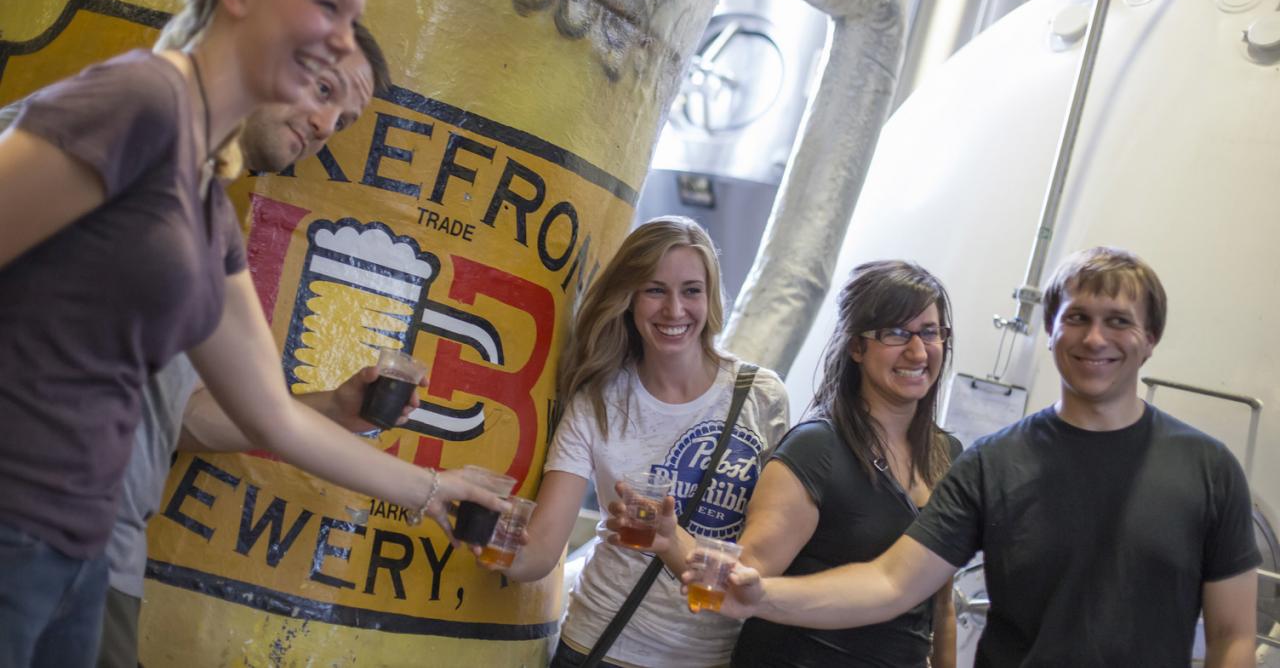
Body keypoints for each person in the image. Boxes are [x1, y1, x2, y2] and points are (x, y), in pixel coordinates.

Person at [0, 0, 505, 665]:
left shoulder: (207, 203)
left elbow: (269, 411)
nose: (339, 37)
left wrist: (434, 490)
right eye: (329, 9)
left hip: (78, 548)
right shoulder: (141, 100)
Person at [695, 247, 1261, 667]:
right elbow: (892, 583)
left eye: (1118, 320)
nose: (1095, 339)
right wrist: (763, 594)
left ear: (1151, 337)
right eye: (1079, 318)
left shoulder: (1208, 471)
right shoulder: (993, 464)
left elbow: (1234, 635)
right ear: (1050, 330)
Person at [90, 20, 393, 668]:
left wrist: (334, 411)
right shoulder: (106, 130)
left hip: (101, 557)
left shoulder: (208, 222)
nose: (324, 124)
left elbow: (180, 418)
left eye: (342, 120)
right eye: (322, 87)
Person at [607, 260, 960, 667]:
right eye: (896, 334)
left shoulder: (948, 456)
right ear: (857, 347)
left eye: (929, 332)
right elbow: (746, 571)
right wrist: (670, 539)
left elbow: (942, 606)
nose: (917, 351)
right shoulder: (817, 449)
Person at [489, 216, 790, 667]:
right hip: (601, 645)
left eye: (691, 290)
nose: (674, 310)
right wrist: (482, 536)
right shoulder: (598, 401)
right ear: (628, 298)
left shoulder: (761, 395)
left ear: (710, 298)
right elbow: (541, 550)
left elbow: (774, 544)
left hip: (712, 655)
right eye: (655, 290)